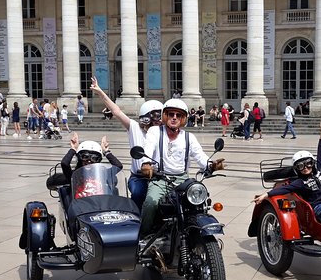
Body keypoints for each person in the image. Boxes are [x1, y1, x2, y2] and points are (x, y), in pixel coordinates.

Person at [139, 98, 225, 235]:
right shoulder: (155, 132)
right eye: (171, 114)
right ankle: (144, 235)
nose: (174, 118)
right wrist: (146, 164)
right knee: (151, 202)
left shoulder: (188, 137)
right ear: (165, 116)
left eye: (178, 115)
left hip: (183, 179)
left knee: (198, 204)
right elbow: (148, 148)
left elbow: (200, 155)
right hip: (160, 179)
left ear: (183, 118)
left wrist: (211, 165)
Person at [91, 76, 163, 209]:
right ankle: (137, 218)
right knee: (138, 193)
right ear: (146, 117)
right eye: (156, 116)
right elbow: (116, 111)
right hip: (139, 177)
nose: (159, 121)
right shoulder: (134, 127)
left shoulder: (164, 132)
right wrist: (100, 92)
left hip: (159, 176)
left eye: (161, 117)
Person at [252, 119, 321, 227]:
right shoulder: (300, 182)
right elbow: (284, 189)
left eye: (308, 164)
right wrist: (265, 195)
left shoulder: (319, 172)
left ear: (312, 163)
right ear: (297, 169)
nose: (305, 168)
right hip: (318, 208)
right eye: (300, 166)